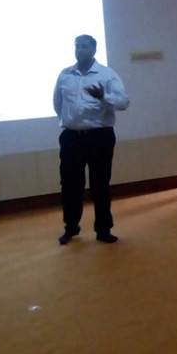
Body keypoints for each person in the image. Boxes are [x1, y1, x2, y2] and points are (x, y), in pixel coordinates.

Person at [53, 35, 129, 245]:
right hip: (71, 137)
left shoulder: (106, 74)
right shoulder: (65, 74)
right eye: (77, 46)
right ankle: (71, 227)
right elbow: (57, 104)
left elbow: (124, 102)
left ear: (93, 50)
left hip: (99, 137)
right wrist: (71, 122)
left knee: (100, 184)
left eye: (84, 46)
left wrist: (105, 97)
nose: (79, 50)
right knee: (69, 185)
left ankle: (103, 229)